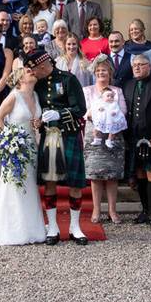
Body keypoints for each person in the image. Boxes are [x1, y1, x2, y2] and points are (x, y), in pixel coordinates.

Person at [0, 66, 48, 245]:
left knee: (29, 184)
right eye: (28, 72)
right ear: (21, 79)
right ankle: (12, 227)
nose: (32, 73)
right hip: (15, 147)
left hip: (31, 147)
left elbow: (35, 121)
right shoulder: (14, 96)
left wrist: (38, 123)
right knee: (13, 186)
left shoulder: (35, 96)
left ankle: (31, 225)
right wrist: (10, 137)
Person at [29, 48, 89, 245]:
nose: (33, 73)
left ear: (43, 65)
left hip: (69, 135)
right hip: (48, 137)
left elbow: (80, 108)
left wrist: (59, 114)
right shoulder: (36, 84)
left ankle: (75, 227)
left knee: (75, 183)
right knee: (49, 182)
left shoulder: (68, 79)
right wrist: (37, 120)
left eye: (34, 69)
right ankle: (52, 227)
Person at [83, 55, 127, 225]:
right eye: (98, 70)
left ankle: (112, 210)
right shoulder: (87, 90)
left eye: (105, 70)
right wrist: (100, 119)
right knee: (96, 175)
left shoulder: (117, 91)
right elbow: (87, 111)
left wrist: (110, 121)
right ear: (94, 72)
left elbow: (122, 110)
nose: (101, 72)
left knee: (112, 175)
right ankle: (96, 209)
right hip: (95, 133)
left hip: (114, 133)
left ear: (110, 72)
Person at [122, 54, 151, 229]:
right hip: (134, 137)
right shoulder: (128, 85)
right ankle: (145, 211)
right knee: (139, 173)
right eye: (135, 65)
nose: (137, 68)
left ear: (149, 66)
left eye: (141, 65)